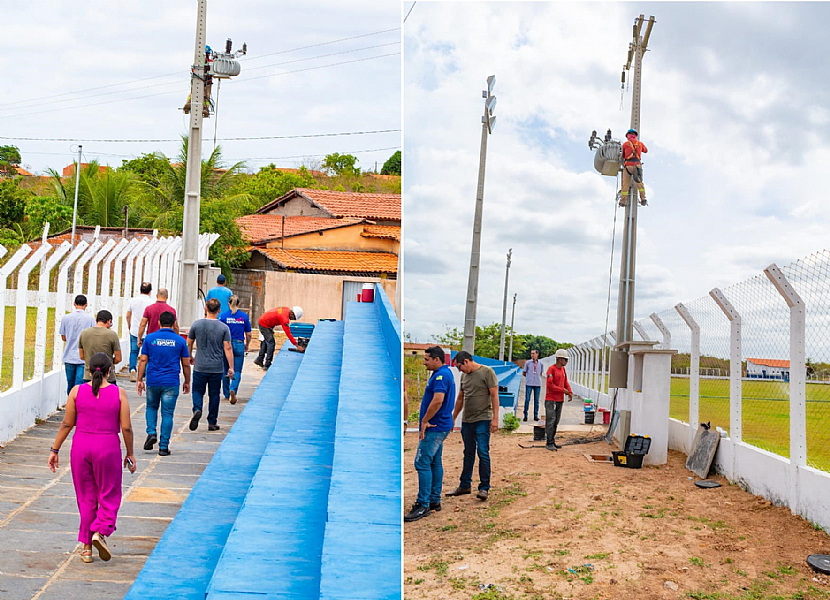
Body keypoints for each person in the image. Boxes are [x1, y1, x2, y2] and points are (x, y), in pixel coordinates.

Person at [48, 352, 136, 564]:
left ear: (88, 371)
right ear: (109, 371)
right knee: (109, 492)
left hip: (81, 447)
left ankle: (87, 548)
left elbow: (67, 424)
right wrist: (130, 452)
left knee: (86, 497)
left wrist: (55, 449)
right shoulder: (119, 393)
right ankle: (101, 531)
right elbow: (126, 427)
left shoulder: (77, 391)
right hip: (107, 447)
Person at [404, 346, 455, 523]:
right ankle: (434, 500)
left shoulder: (441, 376)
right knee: (434, 461)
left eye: (427, 359)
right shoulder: (444, 374)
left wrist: (425, 420)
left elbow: (438, 400)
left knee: (422, 461)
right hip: (441, 425)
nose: (424, 362)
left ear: (436, 359)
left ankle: (423, 503)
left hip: (435, 426)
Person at [446, 351, 499, 502]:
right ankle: (464, 485)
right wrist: (453, 417)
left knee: (482, 452)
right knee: (468, 452)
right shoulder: (464, 376)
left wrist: (495, 418)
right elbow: (460, 398)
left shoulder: (487, 372)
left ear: (466, 361)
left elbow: (495, 396)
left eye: (459, 367)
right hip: (467, 420)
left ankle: (484, 487)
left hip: (483, 418)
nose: (459, 370)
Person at [136, 311, 191, 456]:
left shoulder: (149, 339)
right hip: (171, 382)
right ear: (174, 324)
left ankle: (151, 431)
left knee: (152, 407)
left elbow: (143, 360)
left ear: (159, 323)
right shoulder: (179, 341)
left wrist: (139, 379)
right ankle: (163, 447)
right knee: (167, 413)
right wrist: (187, 381)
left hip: (153, 380)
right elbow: (186, 364)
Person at [187, 298, 235, 432]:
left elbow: (189, 342)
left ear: (206, 309)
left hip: (200, 365)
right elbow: (228, 348)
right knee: (214, 394)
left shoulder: (196, 325)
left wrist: (190, 356)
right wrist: (231, 367)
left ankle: (197, 409)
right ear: (219, 310)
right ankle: (212, 421)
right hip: (216, 367)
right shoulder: (224, 328)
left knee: (197, 391)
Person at [60, 295, 95, 395]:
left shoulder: (66, 318)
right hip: (83, 357)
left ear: (74, 304)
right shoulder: (90, 319)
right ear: (86, 305)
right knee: (79, 384)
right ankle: (77, 405)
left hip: (69, 355)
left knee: (70, 384)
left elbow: (63, 337)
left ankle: (70, 404)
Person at [219, 295, 251, 405]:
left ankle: (227, 393)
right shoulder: (244, 317)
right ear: (239, 304)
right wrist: (247, 344)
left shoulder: (223, 316)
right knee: (237, 369)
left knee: (225, 369)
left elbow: (220, 332)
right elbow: (249, 334)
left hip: (226, 344)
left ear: (229, 304)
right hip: (239, 344)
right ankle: (233, 389)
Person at [253, 305, 305, 370]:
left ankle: (259, 359)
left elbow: (275, 313)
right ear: (292, 313)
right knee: (271, 343)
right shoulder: (284, 319)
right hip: (264, 324)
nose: (292, 319)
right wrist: (296, 345)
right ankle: (267, 364)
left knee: (266, 341)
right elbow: (288, 333)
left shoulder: (286, 308)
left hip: (265, 320)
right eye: (293, 318)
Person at [78, 311, 122, 386]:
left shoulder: (84, 333)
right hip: (108, 377)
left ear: (96, 320)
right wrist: (109, 362)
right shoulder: (112, 335)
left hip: (89, 375)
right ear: (109, 321)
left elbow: (82, 356)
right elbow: (118, 358)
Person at [545, 349, 574, 451]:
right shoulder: (551, 369)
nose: (566, 362)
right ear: (559, 359)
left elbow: (565, 382)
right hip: (551, 399)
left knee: (556, 421)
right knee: (551, 420)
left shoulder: (563, 370)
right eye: (565, 360)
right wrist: (563, 390)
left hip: (559, 400)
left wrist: (569, 392)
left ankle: (552, 441)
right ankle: (549, 442)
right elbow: (550, 385)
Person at [126, 282, 153, 382]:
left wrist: (129, 326)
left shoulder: (133, 301)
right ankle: (145, 373)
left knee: (133, 351)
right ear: (150, 291)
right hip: (147, 331)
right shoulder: (151, 303)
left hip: (134, 330)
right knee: (147, 353)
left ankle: (132, 369)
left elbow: (128, 315)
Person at [620, 128, 648, 207]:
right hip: (637, 165)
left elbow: (622, 156)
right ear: (635, 135)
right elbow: (646, 150)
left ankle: (623, 201)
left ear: (628, 136)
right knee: (639, 184)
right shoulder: (640, 143)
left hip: (628, 166)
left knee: (625, 184)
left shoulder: (625, 144)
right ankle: (643, 199)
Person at [522, 349, 544, 422]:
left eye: (533, 353)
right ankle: (525, 415)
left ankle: (535, 415)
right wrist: (530, 377)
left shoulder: (540, 363)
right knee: (527, 399)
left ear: (537, 354)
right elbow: (524, 373)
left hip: (537, 384)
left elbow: (541, 373)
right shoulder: (528, 363)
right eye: (531, 353)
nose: (532, 355)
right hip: (529, 383)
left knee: (536, 400)